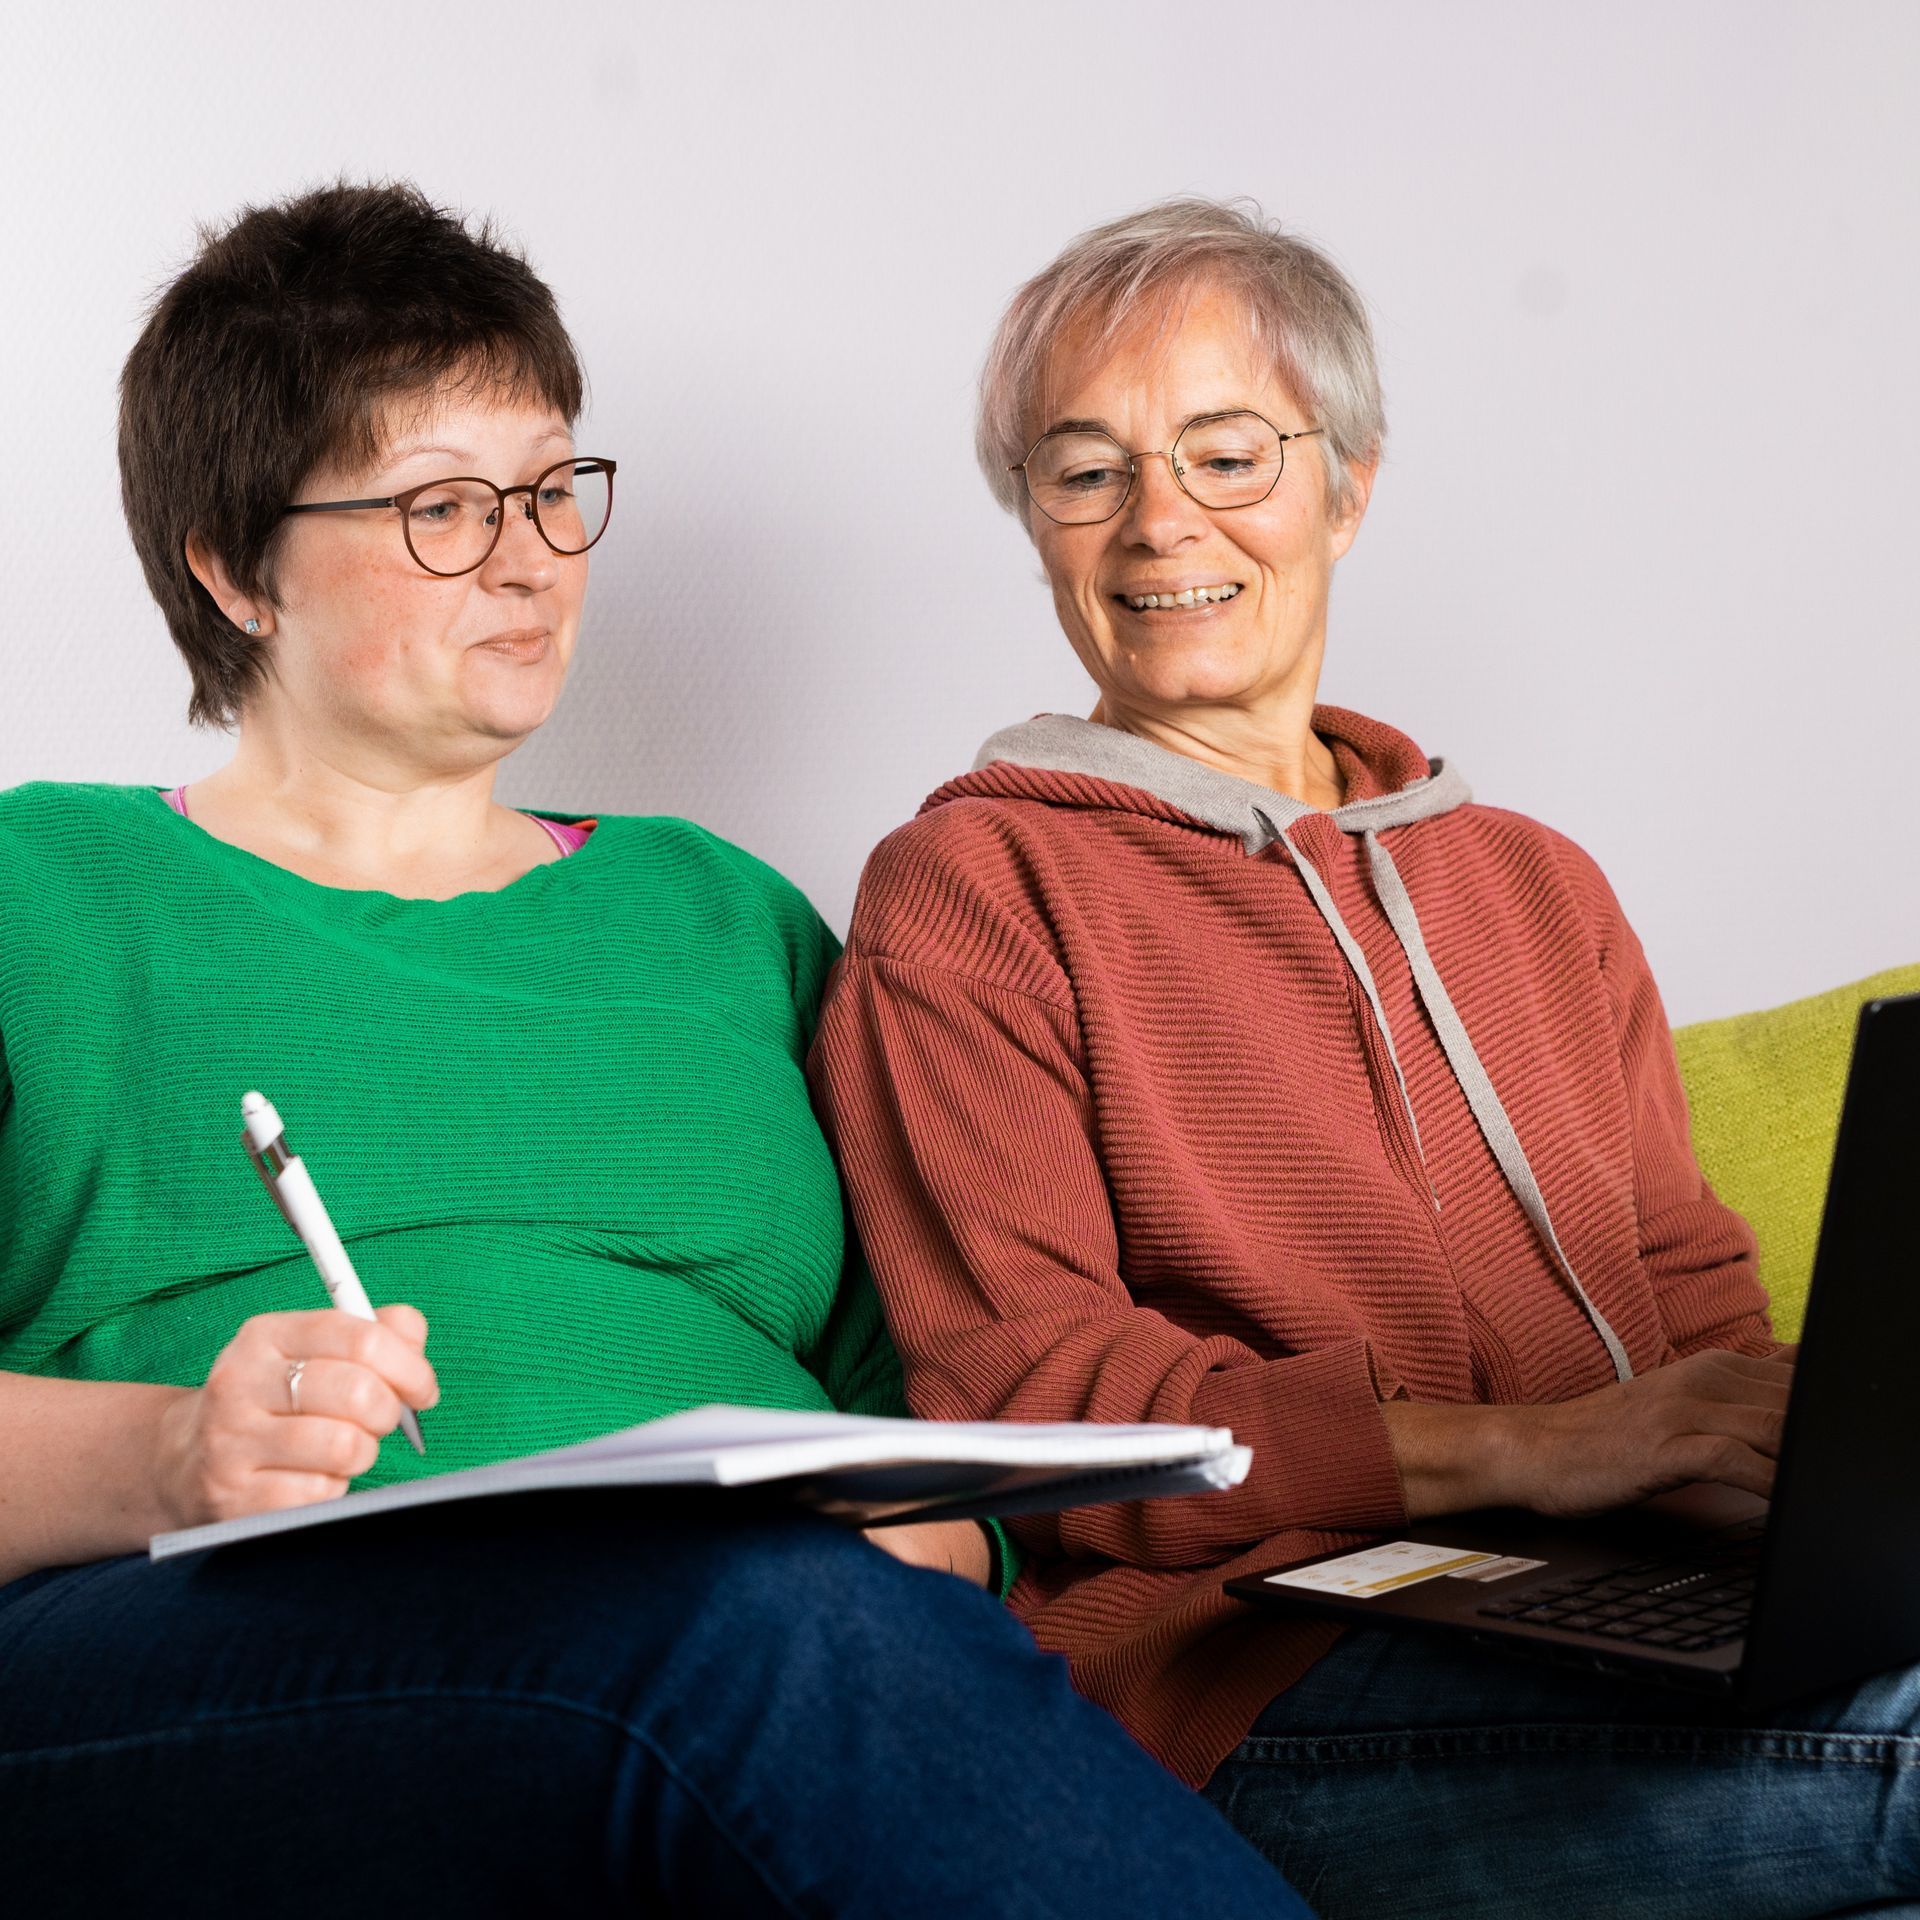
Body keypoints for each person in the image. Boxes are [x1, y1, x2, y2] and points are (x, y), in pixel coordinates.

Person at [0, 182, 1310, 1918]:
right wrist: (172, 1453)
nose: (532, 558)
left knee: (793, 1631)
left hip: (758, 1643)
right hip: (203, 1646)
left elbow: (925, 1418)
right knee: (749, 1635)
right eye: (443, 508)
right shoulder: (41, 893)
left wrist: (920, 1540)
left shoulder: (725, 918)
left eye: (553, 490)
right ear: (234, 566)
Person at [809, 196, 1918, 1919]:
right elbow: (1030, 1403)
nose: (1159, 520)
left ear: (1349, 484)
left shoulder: (1538, 885)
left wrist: (1799, 1498)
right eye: (1086, 471)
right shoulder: (971, 890)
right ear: (1034, 520)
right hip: (1253, 1674)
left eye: (1227, 454)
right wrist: (1531, 1450)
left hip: (1622, 1610)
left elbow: (1691, 1297)